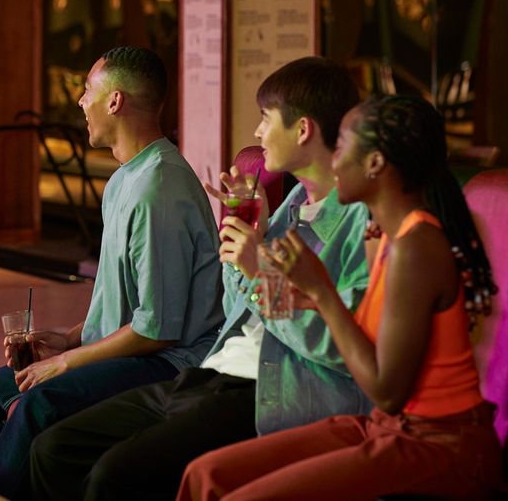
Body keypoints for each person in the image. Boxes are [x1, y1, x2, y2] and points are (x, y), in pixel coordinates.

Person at [30, 56, 373, 500]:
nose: (256, 134)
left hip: (271, 389)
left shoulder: (359, 226)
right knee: (53, 448)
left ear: (303, 130)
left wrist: (255, 270)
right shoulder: (289, 206)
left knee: (112, 475)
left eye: (266, 119)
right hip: (212, 371)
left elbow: (338, 350)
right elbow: (236, 314)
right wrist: (245, 244)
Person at [178, 94, 504, 501]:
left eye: (343, 148)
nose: (333, 160)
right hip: (385, 424)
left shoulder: (415, 247)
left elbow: (387, 390)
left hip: (436, 442)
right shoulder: (376, 233)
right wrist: (258, 247)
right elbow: (279, 311)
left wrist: (322, 293)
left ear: (375, 164)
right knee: (203, 474)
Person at [0, 46, 224, 499]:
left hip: (170, 364)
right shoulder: (126, 178)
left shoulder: (157, 190)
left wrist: (64, 364)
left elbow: (157, 331)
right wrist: (67, 339)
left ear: (115, 101)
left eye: (88, 90)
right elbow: (128, 306)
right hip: (138, 351)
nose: (80, 101)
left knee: (37, 404)